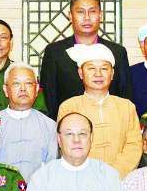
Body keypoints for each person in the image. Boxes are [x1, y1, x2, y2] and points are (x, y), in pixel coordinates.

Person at [38, 0, 132, 115]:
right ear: (70, 16)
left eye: (92, 11)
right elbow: (49, 97)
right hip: (68, 123)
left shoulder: (117, 52)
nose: (87, 17)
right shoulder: (54, 52)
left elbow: (125, 95)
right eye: (80, 12)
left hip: (110, 122)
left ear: (100, 15)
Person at [56, 43, 142, 176]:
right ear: (81, 73)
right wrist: (91, 176)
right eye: (91, 68)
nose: (98, 74)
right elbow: (67, 145)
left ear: (112, 74)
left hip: (121, 179)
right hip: (81, 178)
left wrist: (113, 174)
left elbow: (134, 146)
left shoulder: (126, 107)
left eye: (104, 68)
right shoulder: (69, 107)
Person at [0, 63, 59, 179]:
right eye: (16, 83)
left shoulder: (49, 126)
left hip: (37, 188)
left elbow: (52, 168)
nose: (23, 88)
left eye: (28, 83)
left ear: (36, 89)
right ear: (6, 90)